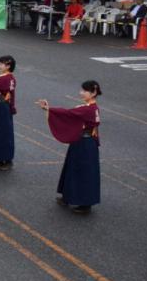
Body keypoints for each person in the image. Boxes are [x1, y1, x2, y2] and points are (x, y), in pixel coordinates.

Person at [38, 80, 102, 214]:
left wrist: (49, 108)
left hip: (85, 144)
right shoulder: (91, 108)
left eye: (85, 91)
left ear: (93, 93)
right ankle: (68, 196)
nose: (81, 93)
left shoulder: (87, 109)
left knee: (83, 172)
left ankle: (85, 203)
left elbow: (67, 114)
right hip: (83, 142)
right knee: (73, 168)